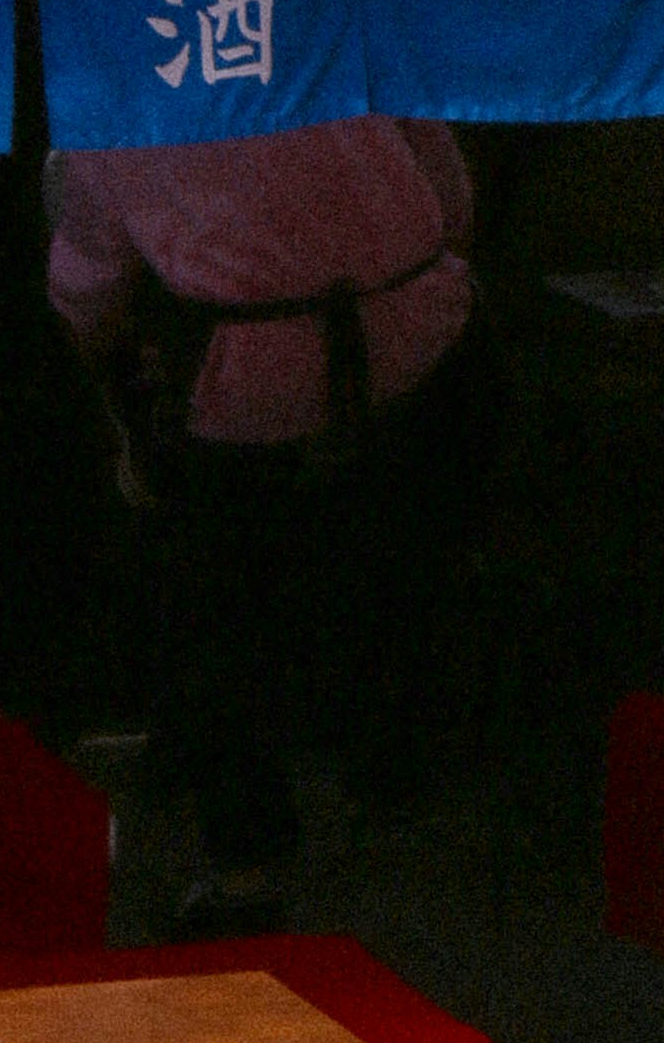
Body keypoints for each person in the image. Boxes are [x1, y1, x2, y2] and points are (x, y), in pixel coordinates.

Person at [45, 117, 481, 930]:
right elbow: (450, 194)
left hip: (246, 380)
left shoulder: (126, 93)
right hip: (415, 332)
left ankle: (246, 864)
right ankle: (391, 782)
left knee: (220, 609)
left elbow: (85, 289)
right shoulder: (326, 23)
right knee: (383, 570)